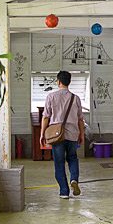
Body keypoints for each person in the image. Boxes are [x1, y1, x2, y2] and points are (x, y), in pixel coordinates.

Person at [40, 70, 85, 199]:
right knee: (72, 158)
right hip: (72, 134)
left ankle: (64, 192)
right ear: (69, 82)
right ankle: (74, 179)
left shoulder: (51, 97)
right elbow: (80, 119)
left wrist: (42, 134)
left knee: (59, 163)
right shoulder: (75, 98)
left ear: (58, 81)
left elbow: (45, 117)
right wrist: (81, 134)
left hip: (56, 135)